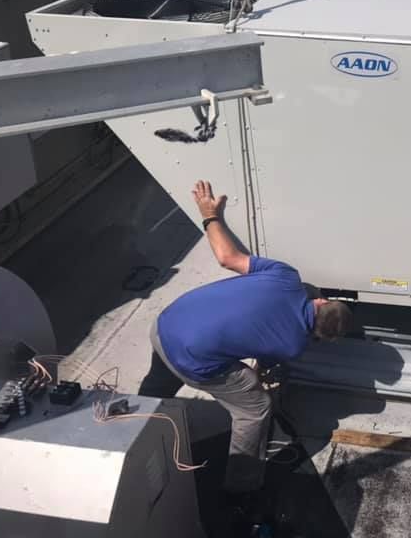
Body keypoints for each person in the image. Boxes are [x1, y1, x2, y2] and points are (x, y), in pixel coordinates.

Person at [139, 180, 352, 496]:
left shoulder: (286, 276)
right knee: (254, 407)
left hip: (167, 323)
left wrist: (210, 214)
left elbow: (227, 258)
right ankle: (243, 484)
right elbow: (258, 365)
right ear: (320, 335)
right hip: (190, 356)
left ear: (320, 301)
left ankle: (134, 432)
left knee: (160, 382)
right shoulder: (293, 345)